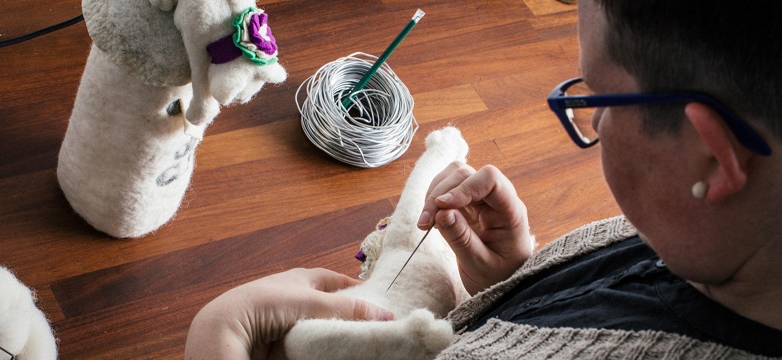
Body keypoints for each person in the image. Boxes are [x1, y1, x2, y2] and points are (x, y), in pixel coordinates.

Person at [185, 0, 782, 358]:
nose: (592, 117)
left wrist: (219, 333)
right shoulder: (719, 242)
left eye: (597, 96)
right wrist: (516, 280)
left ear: (711, 159)